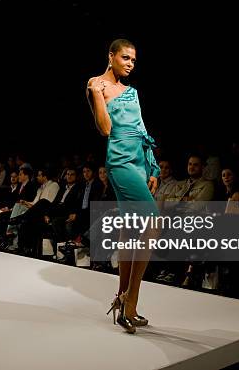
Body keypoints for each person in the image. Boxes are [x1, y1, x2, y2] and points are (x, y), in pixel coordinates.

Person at [87, 38, 160, 333]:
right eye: (126, 58)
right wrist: (95, 93)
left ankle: (123, 302)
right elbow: (105, 129)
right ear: (111, 56)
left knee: (130, 231)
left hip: (140, 162)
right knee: (152, 222)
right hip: (120, 162)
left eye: (134, 60)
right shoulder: (96, 84)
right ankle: (130, 300)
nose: (130, 63)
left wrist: (153, 165)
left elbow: (142, 129)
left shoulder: (133, 92)